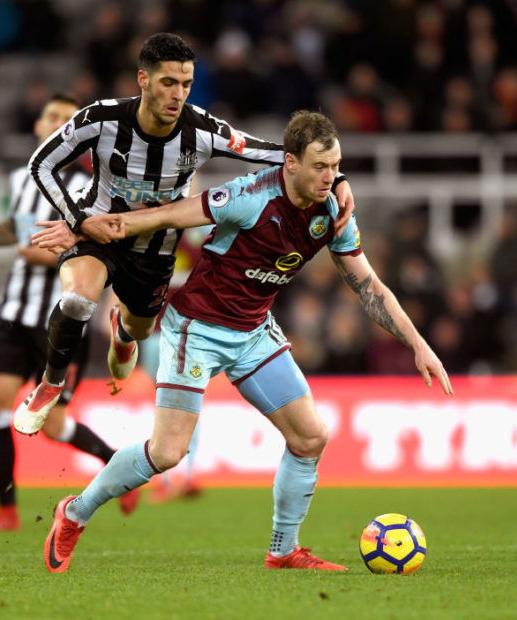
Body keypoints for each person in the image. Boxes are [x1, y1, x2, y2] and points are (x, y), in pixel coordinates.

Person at [31, 110, 453, 573]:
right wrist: (82, 225)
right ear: (289, 163)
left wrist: (418, 343)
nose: (330, 178)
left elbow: (368, 284)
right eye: (320, 167)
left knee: (310, 438)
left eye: (336, 167)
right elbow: (166, 215)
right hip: (197, 328)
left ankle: (283, 550)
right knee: (168, 453)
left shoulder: (333, 208)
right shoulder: (248, 196)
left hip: (252, 330)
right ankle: (74, 512)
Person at [12, 32, 355, 435]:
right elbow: (40, 164)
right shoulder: (101, 120)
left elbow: (277, 153)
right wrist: (78, 219)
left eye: (187, 84)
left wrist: (338, 177)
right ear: (144, 80)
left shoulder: (203, 131)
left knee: (140, 327)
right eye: (168, 83)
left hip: (155, 250)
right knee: (76, 301)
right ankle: (50, 384)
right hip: (99, 229)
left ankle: (124, 331)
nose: (178, 94)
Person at [0, 94, 139, 532]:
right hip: (14, 311)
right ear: (37, 126)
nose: (56, 123)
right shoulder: (20, 180)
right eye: (51, 116)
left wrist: (42, 251)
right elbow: (16, 229)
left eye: (67, 120)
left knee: (53, 425)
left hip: (60, 319)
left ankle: (116, 466)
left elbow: (87, 246)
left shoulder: (89, 188)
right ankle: (7, 511)